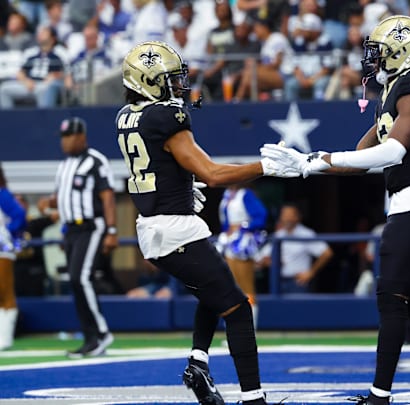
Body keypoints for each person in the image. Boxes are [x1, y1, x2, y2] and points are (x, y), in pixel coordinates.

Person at [261, 15, 410, 405]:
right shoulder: (396, 88)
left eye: (380, 52)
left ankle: (380, 396)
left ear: (401, 50)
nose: (375, 60)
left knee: (391, 297)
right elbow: (361, 154)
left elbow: (392, 151)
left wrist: (321, 158)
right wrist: (307, 165)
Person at [116, 40, 297, 405]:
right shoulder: (165, 118)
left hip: (159, 222)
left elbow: (161, 163)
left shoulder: (128, 115)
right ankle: (253, 399)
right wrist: (268, 167)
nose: (178, 86)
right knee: (238, 308)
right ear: (148, 82)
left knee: (212, 292)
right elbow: (213, 173)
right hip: (173, 228)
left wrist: (180, 187)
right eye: (169, 80)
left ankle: (198, 361)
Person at [37, 117, 117, 358]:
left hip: (90, 226)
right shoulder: (64, 166)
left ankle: (101, 334)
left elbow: (107, 196)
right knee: (75, 281)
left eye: (70, 136)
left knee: (80, 278)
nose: (65, 141)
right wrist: (49, 204)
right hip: (71, 229)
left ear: (81, 136)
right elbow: (62, 198)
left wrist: (112, 231)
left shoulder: (95, 161)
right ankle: (90, 336)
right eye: (63, 137)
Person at [217, 183, 268, 325]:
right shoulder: (227, 194)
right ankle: (235, 329)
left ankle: (251, 329)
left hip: (242, 243)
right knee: (231, 287)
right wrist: (227, 231)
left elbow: (261, 215)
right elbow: (226, 220)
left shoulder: (245, 194)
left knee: (246, 288)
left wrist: (244, 228)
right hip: (229, 241)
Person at [256, 203, 333, 293]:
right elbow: (260, 259)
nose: (287, 218)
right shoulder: (278, 235)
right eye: (284, 215)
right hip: (278, 283)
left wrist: (311, 273)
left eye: (290, 215)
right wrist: (267, 262)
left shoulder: (306, 234)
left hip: (298, 284)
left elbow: (327, 253)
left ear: (297, 217)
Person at [0, 164, 27, 350]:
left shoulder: (2, 194)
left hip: (2, 249)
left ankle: (6, 337)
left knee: (4, 291)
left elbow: (19, 215)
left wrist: (6, 233)